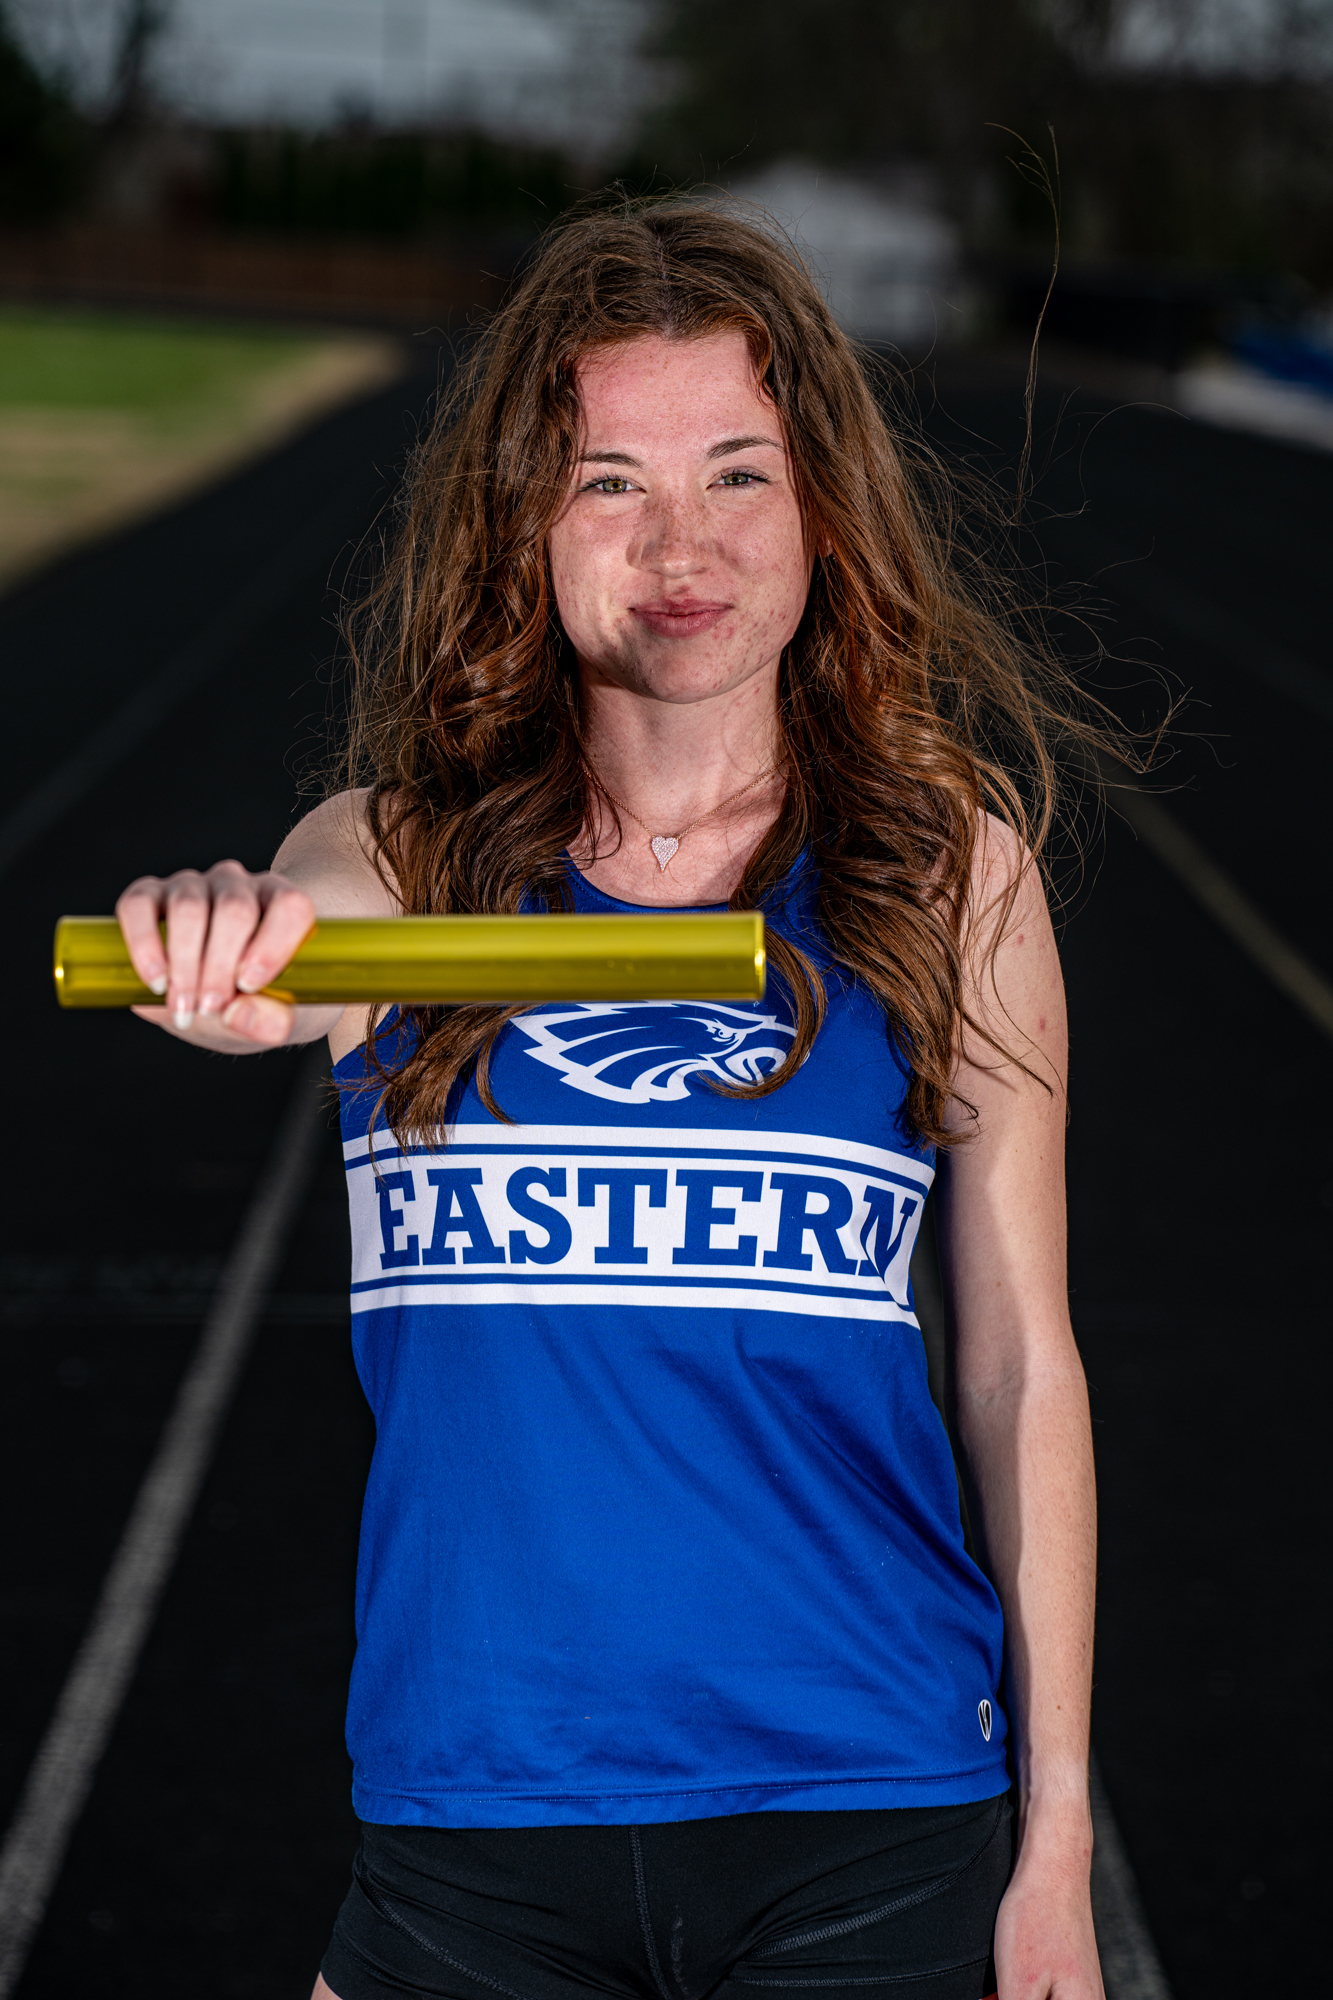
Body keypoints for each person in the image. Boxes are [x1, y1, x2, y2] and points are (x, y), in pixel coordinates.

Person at [114, 201, 1103, 2000]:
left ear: (821, 507)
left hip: (869, 1816)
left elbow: (1018, 1366)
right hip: (475, 1826)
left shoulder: (947, 872)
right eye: (607, 484)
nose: (680, 545)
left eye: (737, 475)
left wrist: (1052, 1856)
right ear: (522, 524)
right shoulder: (401, 860)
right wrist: (224, 941)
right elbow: (288, 955)